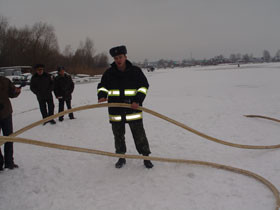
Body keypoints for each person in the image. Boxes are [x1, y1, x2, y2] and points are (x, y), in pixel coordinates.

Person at [97, 45, 153, 169]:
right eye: (116, 58)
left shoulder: (135, 71)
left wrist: (137, 100)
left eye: (120, 57)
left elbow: (144, 86)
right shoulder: (109, 73)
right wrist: (101, 94)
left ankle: (146, 157)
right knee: (118, 135)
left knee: (139, 135)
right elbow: (102, 85)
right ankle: (121, 157)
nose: (118, 60)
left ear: (125, 57)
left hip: (133, 110)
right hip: (116, 111)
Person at [0, 75, 21, 170]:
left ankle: (9, 162)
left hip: (6, 113)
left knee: (9, 138)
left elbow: (11, 93)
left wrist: (16, 91)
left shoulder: (4, 80)